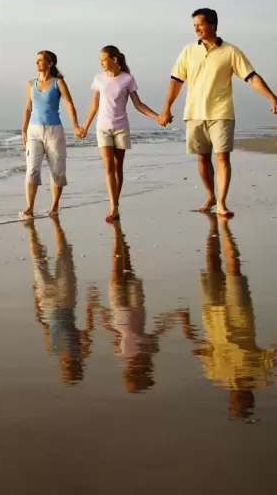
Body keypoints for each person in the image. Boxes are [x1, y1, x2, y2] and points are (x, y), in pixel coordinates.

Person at [163, 214, 277, 420]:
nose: (237, 401)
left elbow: (201, 347)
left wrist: (185, 322)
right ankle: (224, 228)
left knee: (212, 264)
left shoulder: (215, 375)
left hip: (212, 316)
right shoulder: (260, 375)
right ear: (250, 400)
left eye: (235, 405)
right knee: (233, 269)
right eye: (241, 405)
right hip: (240, 314)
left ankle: (215, 226)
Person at [159, 8, 277, 217]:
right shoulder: (189, 51)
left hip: (221, 112)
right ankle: (210, 195)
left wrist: (272, 98)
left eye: (200, 24)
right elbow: (176, 80)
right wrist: (166, 108)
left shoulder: (231, 51)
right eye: (194, 26)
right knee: (202, 158)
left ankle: (222, 202)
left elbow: (251, 77)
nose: (196, 29)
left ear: (213, 25)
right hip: (194, 113)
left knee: (222, 157)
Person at [77, 46, 161, 221]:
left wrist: (157, 117)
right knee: (108, 167)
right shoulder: (98, 79)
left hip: (121, 127)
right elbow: (94, 105)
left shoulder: (127, 79)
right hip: (103, 127)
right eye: (100, 60)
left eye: (103, 59)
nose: (101, 63)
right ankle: (113, 206)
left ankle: (115, 203)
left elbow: (138, 104)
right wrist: (85, 126)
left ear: (114, 60)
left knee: (117, 167)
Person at [23, 218, 97, 386]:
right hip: (65, 302)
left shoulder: (53, 350)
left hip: (46, 304)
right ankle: (56, 224)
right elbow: (87, 329)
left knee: (38, 261)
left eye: (64, 368)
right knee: (63, 258)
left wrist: (36, 300)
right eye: (68, 367)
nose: (65, 364)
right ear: (77, 366)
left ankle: (32, 231)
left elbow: (44, 326)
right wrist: (90, 306)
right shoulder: (81, 350)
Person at [95, 220, 166, 393]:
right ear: (145, 367)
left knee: (116, 272)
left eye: (130, 370)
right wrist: (174, 317)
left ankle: (117, 239)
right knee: (128, 271)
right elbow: (158, 330)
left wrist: (101, 313)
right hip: (135, 306)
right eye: (135, 369)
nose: (131, 365)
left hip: (118, 308)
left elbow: (114, 332)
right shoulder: (150, 349)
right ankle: (121, 242)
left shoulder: (120, 353)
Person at [21, 50, 80, 218]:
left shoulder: (58, 83)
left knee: (57, 170)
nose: (37, 63)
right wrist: (24, 129)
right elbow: (27, 108)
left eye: (40, 60)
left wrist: (75, 125)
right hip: (34, 131)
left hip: (54, 130)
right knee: (32, 169)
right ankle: (29, 207)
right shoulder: (30, 84)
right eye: (36, 60)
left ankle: (54, 206)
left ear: (50, 63)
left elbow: (69, 104)